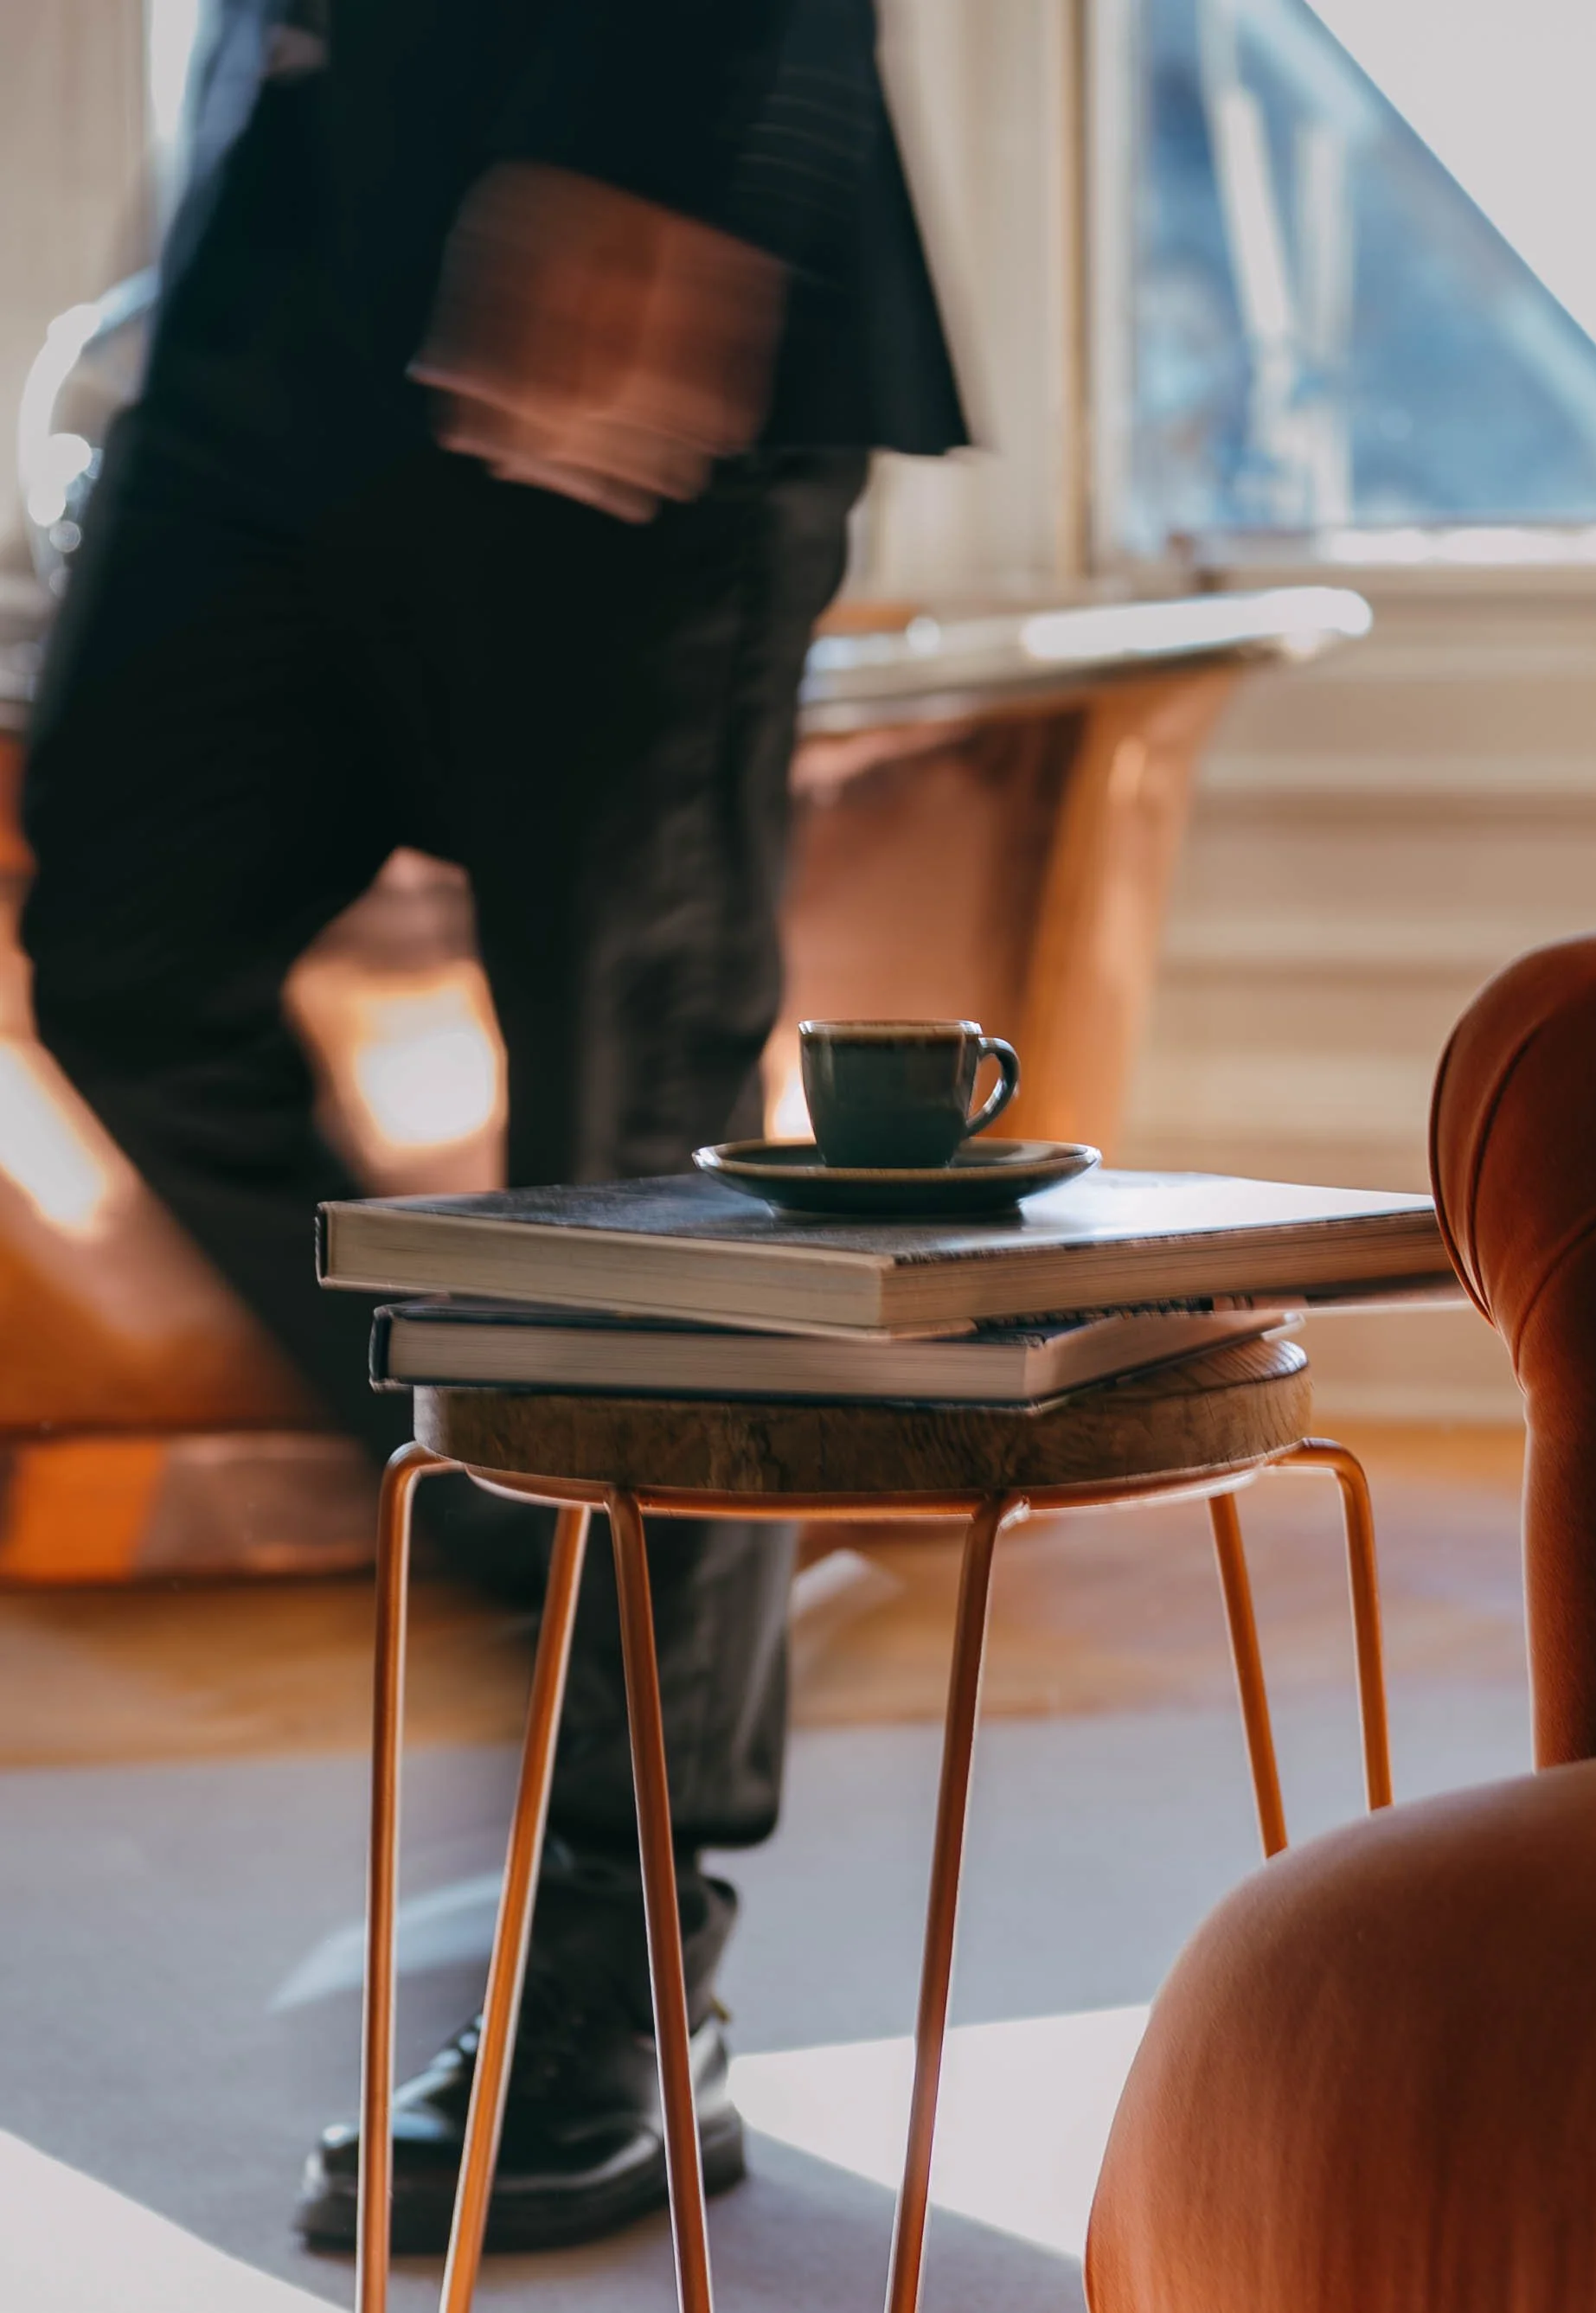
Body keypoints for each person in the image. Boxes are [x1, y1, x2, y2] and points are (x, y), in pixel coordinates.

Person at [20, 0, 965, 2256]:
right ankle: (516, 1487)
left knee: (630, 1136)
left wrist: (709, 129)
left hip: (638, 167)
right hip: (286, 269)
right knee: (128, 937)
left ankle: (624, 1945)